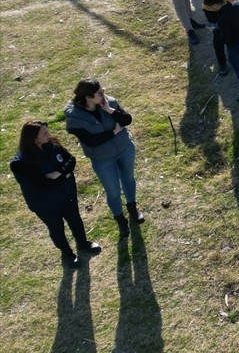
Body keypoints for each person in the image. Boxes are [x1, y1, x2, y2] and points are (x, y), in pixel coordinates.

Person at [11, 121, 101, 266]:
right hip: (45, 203)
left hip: (66, 194)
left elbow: (71, 160)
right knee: (56, 228)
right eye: (44, 133)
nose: (49, 135)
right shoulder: (21, 163)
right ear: (34, 138)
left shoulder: (52, 145)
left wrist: (59, 172)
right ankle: (67, 254)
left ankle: (83, 243)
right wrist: (65, 175)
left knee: (75, 219)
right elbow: (40, 184)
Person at [64, 80, 143, 235]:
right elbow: (92, 141)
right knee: (113, 191)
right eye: (99, 93)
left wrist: (110, 110)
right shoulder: (74, 117)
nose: (104, 94)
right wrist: (114, 132)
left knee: (128, 179)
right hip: (103, 159)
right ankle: (120, 219)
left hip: (125, 149)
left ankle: (132, 208)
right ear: (88, 98)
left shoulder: (109, 102)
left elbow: (126, 120)